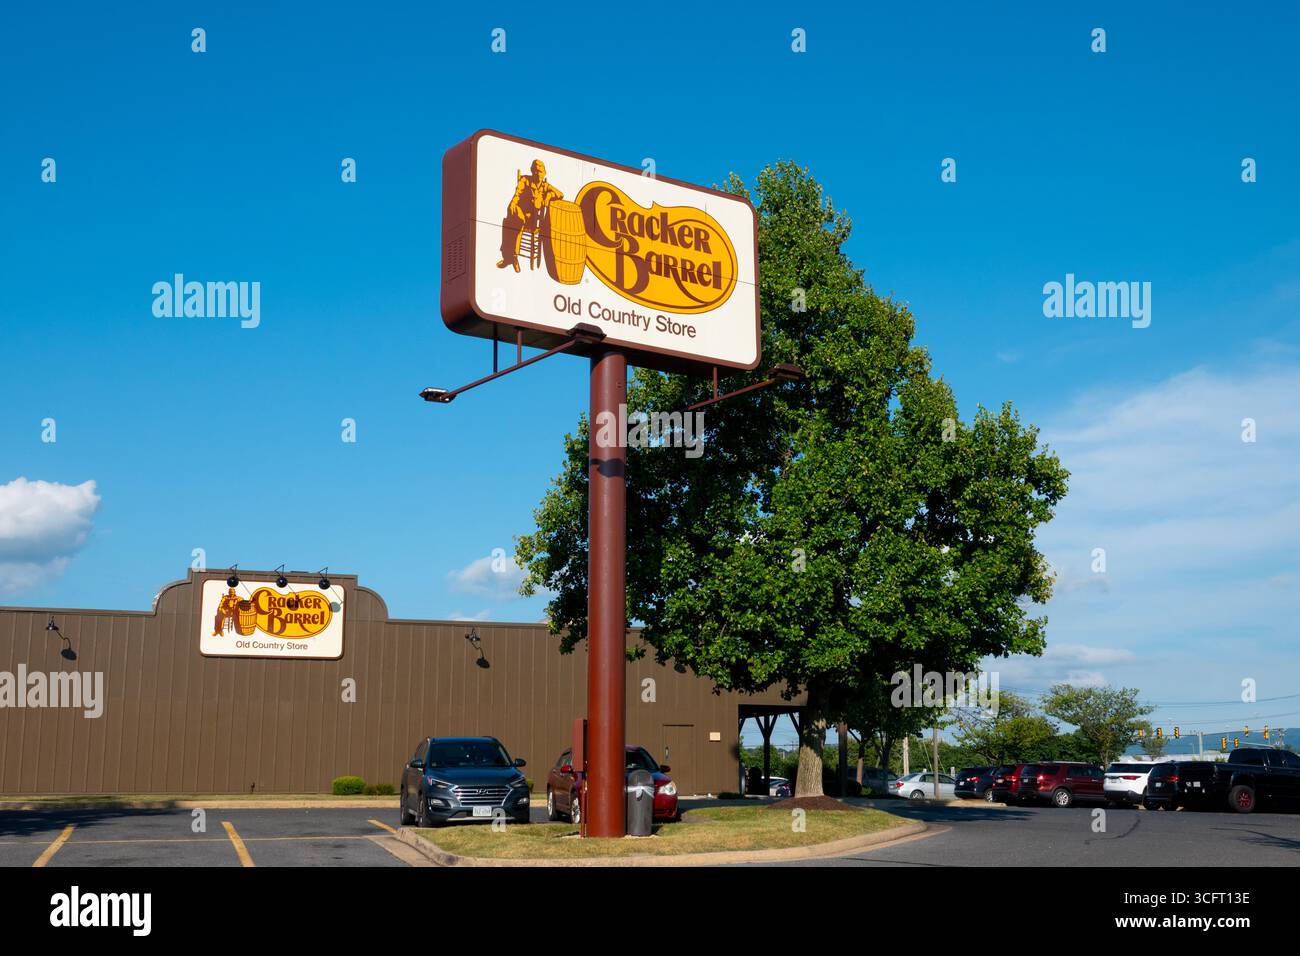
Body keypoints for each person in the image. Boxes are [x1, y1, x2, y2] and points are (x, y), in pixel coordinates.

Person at [497, 159, 564, 272]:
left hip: (533, 220)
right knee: (514, 220)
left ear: (544, 173)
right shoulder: (525, 180)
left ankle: (510, 258)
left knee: (512, 223)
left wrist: (548, 196)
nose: (538, 174)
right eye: (536, 171)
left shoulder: (545, 186)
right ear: (532, 171)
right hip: (520, 211)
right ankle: (511, 257)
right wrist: (512, 203)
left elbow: (560, 194)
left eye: (541, 171)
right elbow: (517, 194)